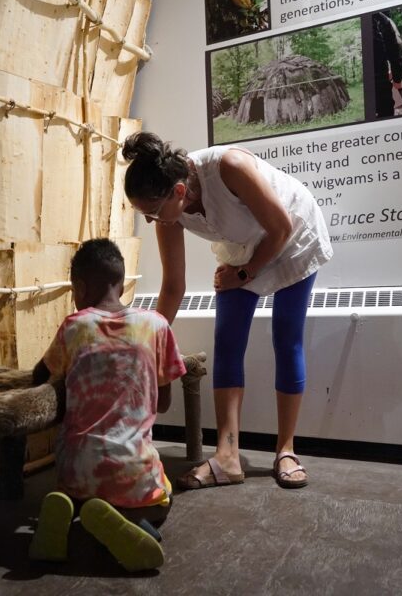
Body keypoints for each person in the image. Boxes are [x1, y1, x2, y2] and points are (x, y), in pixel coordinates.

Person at [122, 132, 333, 490]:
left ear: (178, 191)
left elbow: (281, 226)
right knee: (228, 342)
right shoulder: (168, 213)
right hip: (242, 247)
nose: (150, 220)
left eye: (152, 211)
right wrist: (151, 340)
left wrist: (245, 274)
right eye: (143, 213)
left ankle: (286, 449)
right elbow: (174, 286)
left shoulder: (228, 167)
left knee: (286, 336)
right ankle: (228, 455)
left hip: (292, 235)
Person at [28, 238, 187, 572]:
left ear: (81, 287)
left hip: (77, 470)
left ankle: (72, 509)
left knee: (76, 484)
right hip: (133, 472)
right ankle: (128, 520)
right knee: (164, 499)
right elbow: (166, 403)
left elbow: (39, 374)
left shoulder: (74, 326)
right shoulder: (157, 325)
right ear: (121, 280)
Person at [373, 11, 402, 118]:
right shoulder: (381, 19)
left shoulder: (381, 20)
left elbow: (396, 47)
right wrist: (397, 78)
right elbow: (396, 47)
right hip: (380, 84)